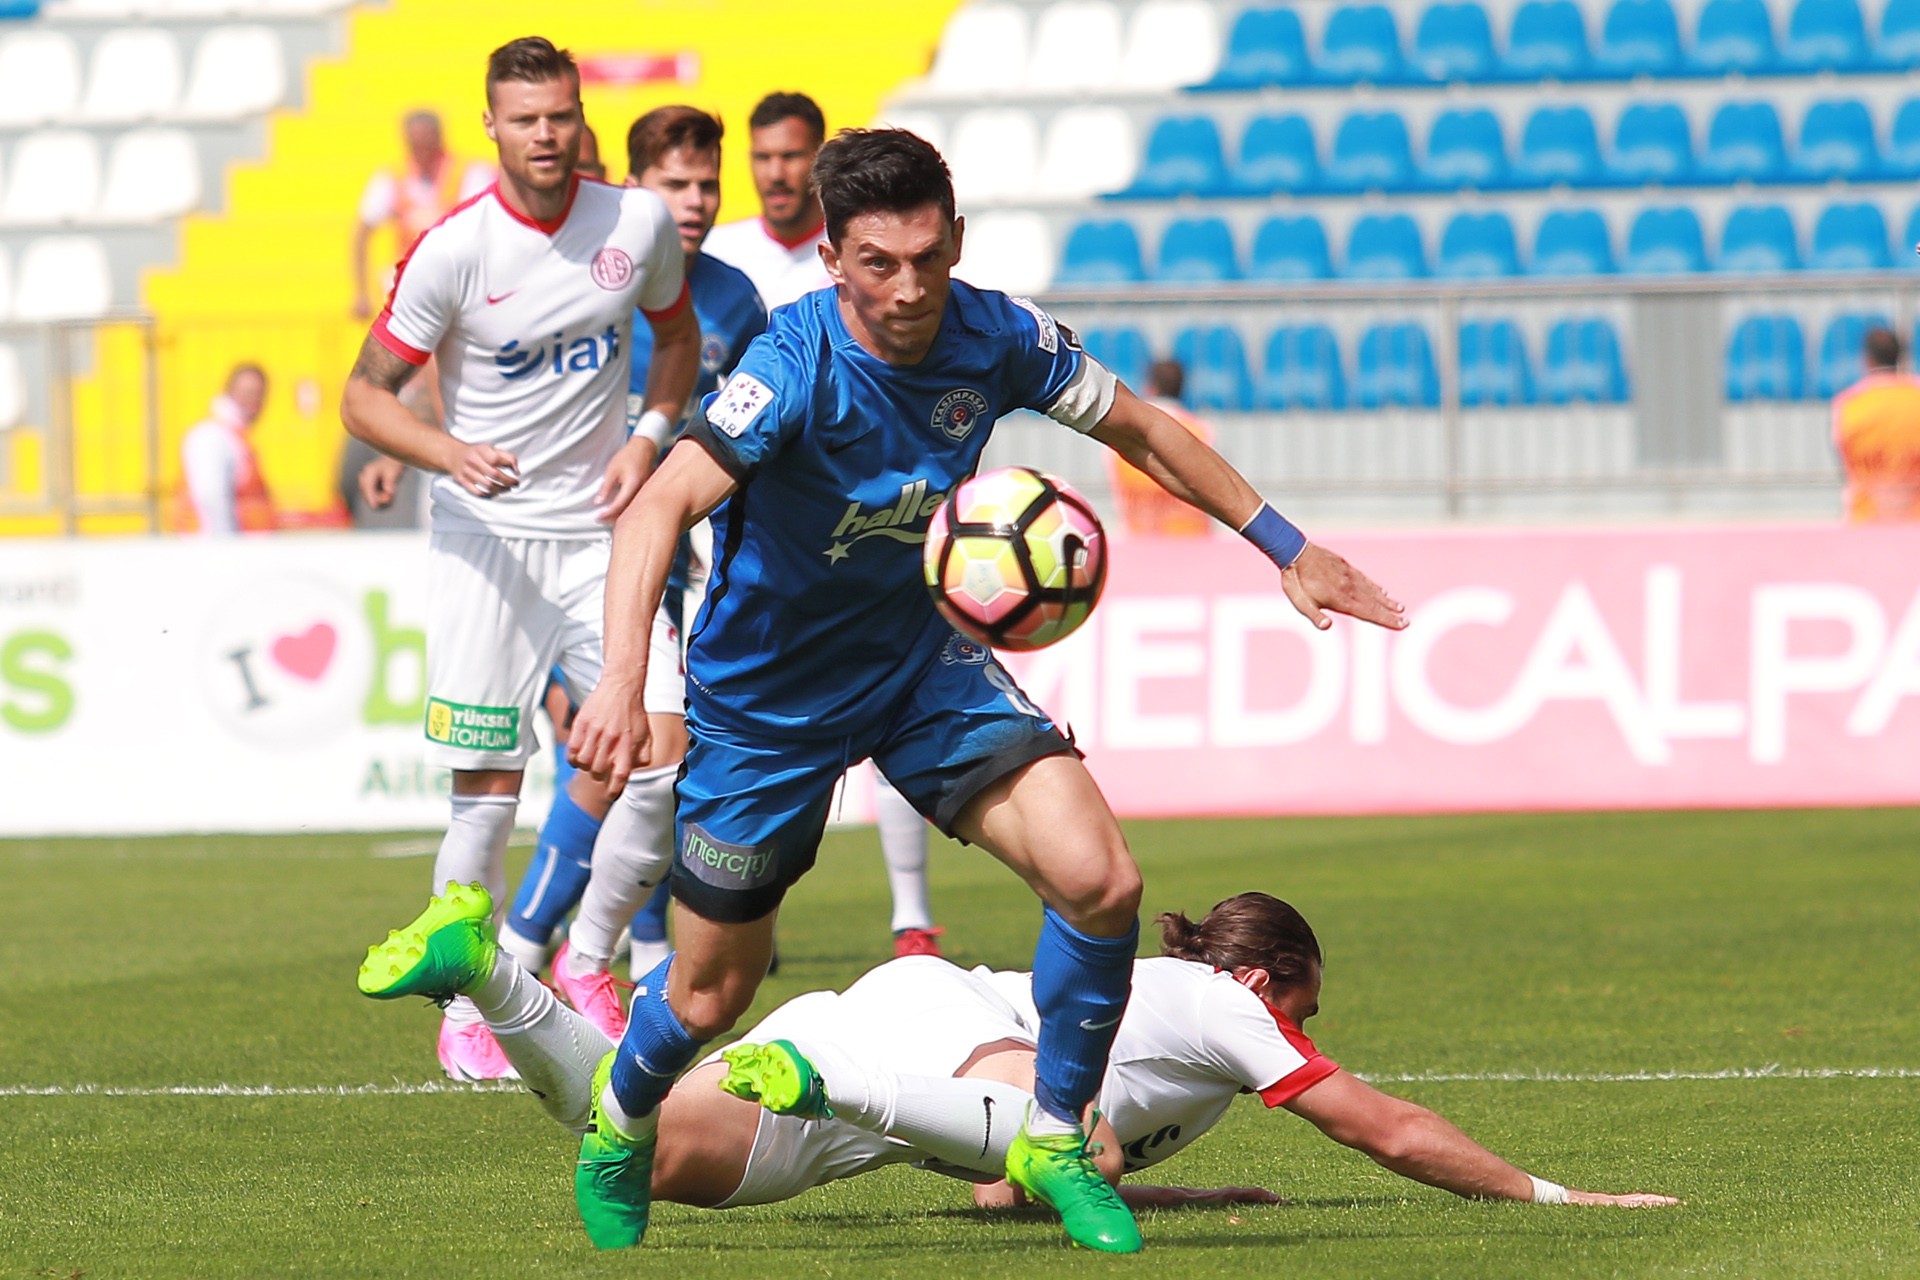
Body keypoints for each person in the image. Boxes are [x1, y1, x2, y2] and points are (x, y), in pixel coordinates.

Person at [561, 128, 1406, 1253]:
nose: (908, 289)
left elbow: (1142, 428)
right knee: (712, 993)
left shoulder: (999, 334)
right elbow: (660, 506)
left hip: (924, 666)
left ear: (956, 240)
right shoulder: (792, 364)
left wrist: (1287, 546)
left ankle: (1055, 1137)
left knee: (1100, 880)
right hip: (768, 705)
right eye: (878, 264)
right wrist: (625, 679)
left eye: (927, 258)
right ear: (833, 258)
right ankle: (620, 1121)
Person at [359, 885, 1679, 1220]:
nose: (1303, 1033)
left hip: (887, 1047)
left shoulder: (1188, 1043)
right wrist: (1558, 1194)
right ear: (1264, 980)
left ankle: (485, 968)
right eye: (1304, 1007)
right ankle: (835, 1085)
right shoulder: (1223, 1007)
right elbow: (1382, 1127)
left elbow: (1003, 1192)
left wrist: (1189, 1191)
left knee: (629, 1136)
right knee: (1079, 1140)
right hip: (945, 1034)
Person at [338, 36, 701, 1082]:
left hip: (599, 534)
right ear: (491, 126)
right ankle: (469, 1007)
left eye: (560, 116)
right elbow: (363, 395)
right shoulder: (452, 250)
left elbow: (675, 340)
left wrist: (648, 434)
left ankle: (587, 958)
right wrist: (444, 450)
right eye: (525, 118)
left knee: (666, 755)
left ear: (581, 120)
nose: (545, 134)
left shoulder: (635, 223)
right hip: (485, 543)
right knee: (489, 789)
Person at [497, 104, 770, 1039]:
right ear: (634, 188)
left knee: (644, 759)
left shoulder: (735, 302)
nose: (693, 201)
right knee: (633, 751)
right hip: (577, 552)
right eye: (673, 184)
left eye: (707, 184)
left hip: (684, 562)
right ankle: (547, 954)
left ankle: (578, 956)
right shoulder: (584, 278)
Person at [705, 90, 947, 959]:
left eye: (791, 159)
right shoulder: (723, 261)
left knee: (902, 707)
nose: (777, 173)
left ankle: (911, 915)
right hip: (759, 535)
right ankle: (724, 923)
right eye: (763, 157)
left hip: (874, 520)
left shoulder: (883, 255)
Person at [351, 110, 495, 321]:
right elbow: (362, 232)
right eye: (415, 144)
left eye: (427, 143)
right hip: (409, 283)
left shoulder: (470, 173)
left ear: (439, 138)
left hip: (462, 281)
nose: (422, 152)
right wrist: (361, 292)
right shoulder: (391, 178)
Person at [1109, 359, 1216, 538]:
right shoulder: (1203, 431)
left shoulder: (1121, 432)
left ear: (1150, 388)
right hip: (1193, 540)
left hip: (1140, 541)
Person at [172, 363, 276, 534]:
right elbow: (211, 499)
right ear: (230, 392)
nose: (254, 402)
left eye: (259, 394)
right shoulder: (212, 437)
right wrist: (225, 546)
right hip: (215, 546)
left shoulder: (235, 437)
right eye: (248, 393)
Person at [1832, 326, 1920, 523]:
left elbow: (1845, 459)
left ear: (1867, 360)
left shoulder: (1849, 404)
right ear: (1901, 357)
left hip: (1867, 515)